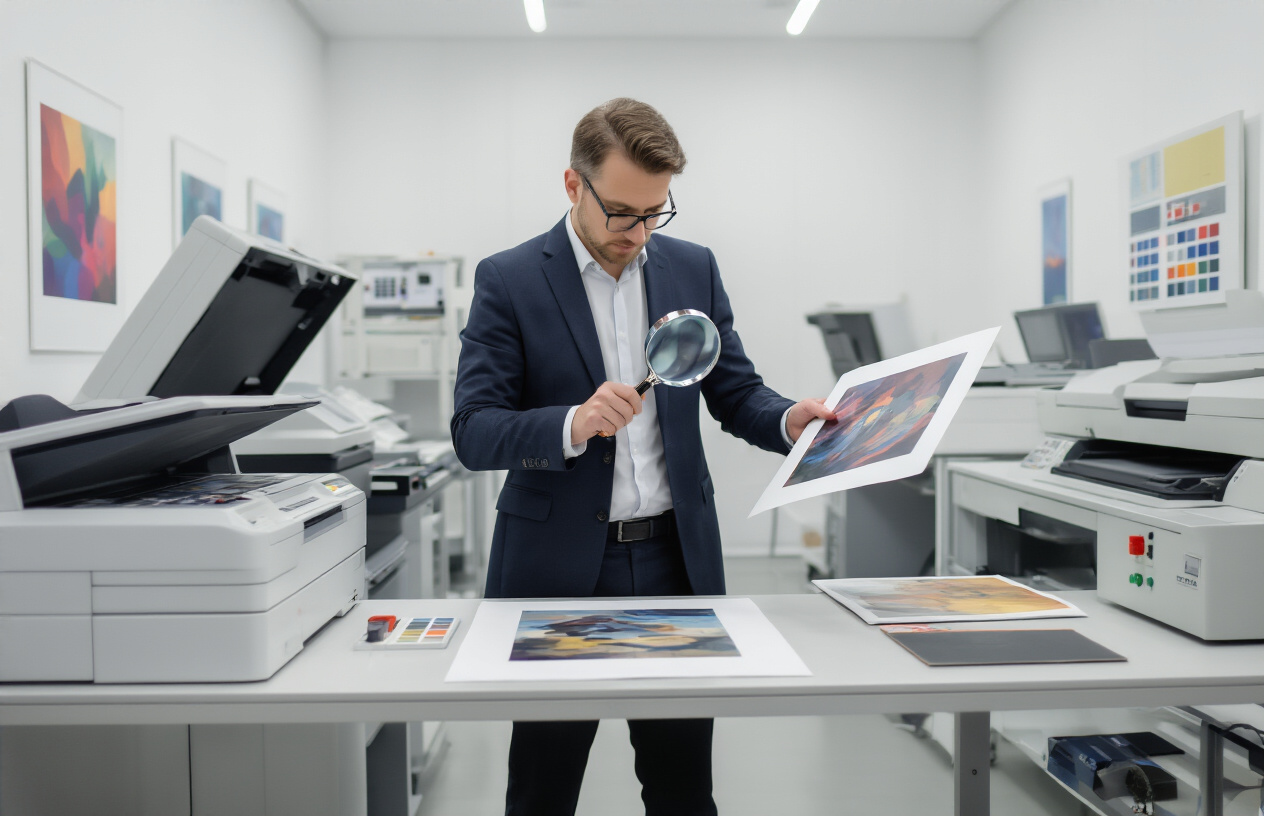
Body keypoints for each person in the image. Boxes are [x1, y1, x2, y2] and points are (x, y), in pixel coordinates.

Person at [451, 97, 833, 816]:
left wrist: (787, 420)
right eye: (623, 212)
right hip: (557, 569)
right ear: (573, 186)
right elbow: (474, 429)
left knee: (683, 790)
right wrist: (571, 422)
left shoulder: (691, 267)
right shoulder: (509, 279)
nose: (640, 232)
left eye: (657, 212)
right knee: (542, 790)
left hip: (672, 563)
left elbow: (734, 390)